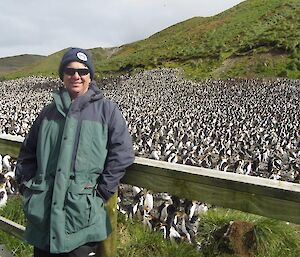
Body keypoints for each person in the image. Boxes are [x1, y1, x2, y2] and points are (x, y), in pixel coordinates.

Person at [15, 47, 135, 257]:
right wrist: (28, 187)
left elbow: (123, 153)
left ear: (90, 75)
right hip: (44, 217)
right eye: (70, 71)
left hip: (81, 220)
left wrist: (102, 192)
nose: (76, 76)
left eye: (83, 71)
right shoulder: (48, 112)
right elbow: (28, 152)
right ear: (62, 75)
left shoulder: (107, 111)